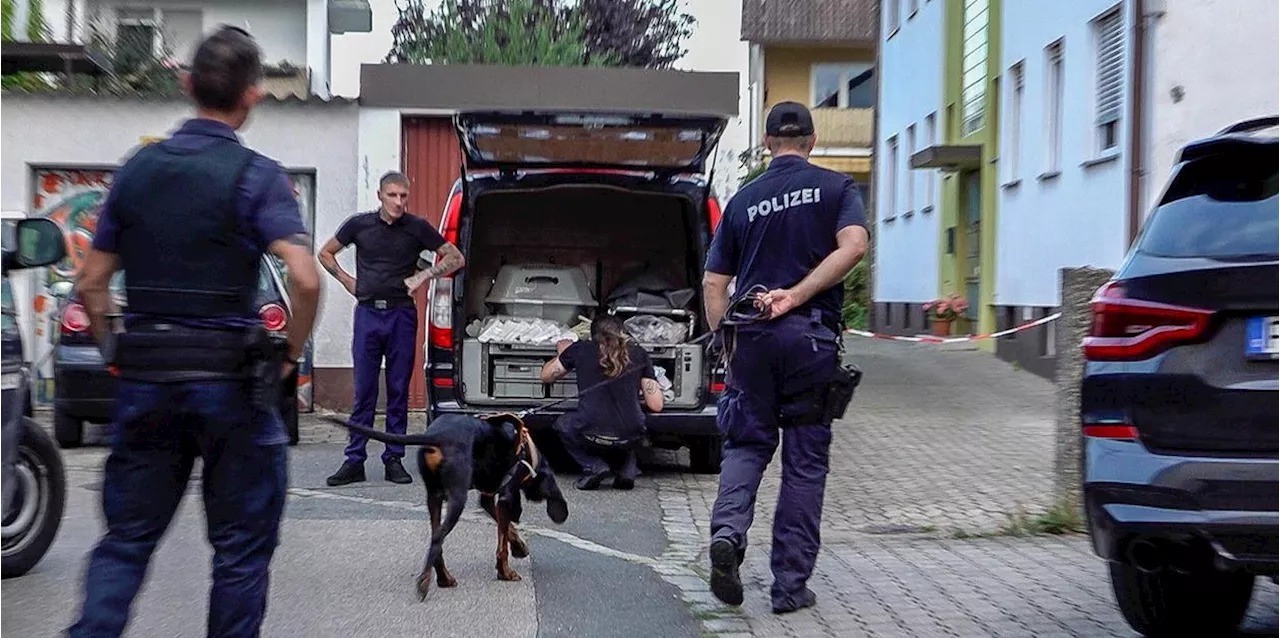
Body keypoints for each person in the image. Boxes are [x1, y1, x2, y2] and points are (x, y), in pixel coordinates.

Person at [68, 26, 321, 637]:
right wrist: (287, 357)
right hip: (231, 385)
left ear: (186, 84)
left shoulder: (137, 170)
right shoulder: (257, 176)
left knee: (126, 541)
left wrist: (114, 353)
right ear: (255, 95)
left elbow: (92, 283)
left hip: (148, 377)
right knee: (238, 553)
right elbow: (307, 279)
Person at [701, 102, 869, 614]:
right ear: (812, 141)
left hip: (750, 340)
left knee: (746, 446)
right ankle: (789, 587)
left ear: (769, 143)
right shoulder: (838, 189)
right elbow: (855, 246)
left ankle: (728, 534)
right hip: (810, 340)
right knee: (803, 465)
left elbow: (713, 283)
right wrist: (796, 295)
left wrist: (725, 342)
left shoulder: (743, 201)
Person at [320, 172, 465, 487]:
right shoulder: (359, 225)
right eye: (393, 196)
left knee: (398, 389)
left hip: (401, 315)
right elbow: (325, 253)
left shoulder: (417, 228)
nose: (399, 202)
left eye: (403, 196)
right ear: (380, 195)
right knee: (365, 391)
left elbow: (455, 257)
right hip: (369, 314)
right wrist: (347, 281)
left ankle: (394, 459)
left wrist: (423, 277)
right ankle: (354, 459)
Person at [540, 314, 665, 491]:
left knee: (562, 424)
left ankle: (594, 466)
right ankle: (628, 470)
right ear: (622, 333)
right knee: (637, 425)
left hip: (589, 427)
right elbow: (656, 405)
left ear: (592, 335)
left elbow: (546, 376)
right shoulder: (639, 353)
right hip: (630, 431)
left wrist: (562, 354)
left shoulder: (579, 349)